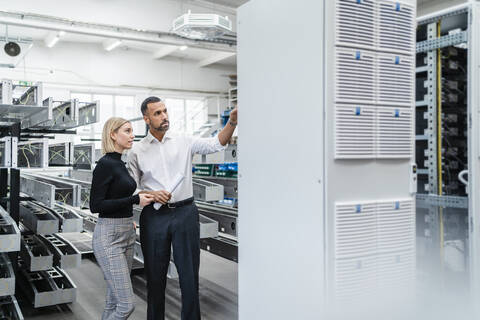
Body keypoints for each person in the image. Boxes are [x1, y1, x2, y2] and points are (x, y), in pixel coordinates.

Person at [127, 97, 237, 320]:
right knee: (155, 277)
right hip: (155, 216)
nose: (164, 116)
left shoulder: (183, 140)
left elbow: (216, 143)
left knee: (189, 275)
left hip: (185, 213)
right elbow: (132, 190)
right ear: (146, 118)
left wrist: (232, 123)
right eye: (157, 113)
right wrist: (149, 194)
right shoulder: (137, 151)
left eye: (165, 111)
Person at [90, 117, 154, 320]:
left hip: (126, 231)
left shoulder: (120, 163)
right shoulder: (105, 165)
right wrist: (135, 199)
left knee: (113, 301)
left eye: (132, 131)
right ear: (113, 134)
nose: (132, 135)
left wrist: (128, 217)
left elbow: (118, 197)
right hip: (109, 237)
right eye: (127, 131)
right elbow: (96, 205)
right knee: (126, 305)